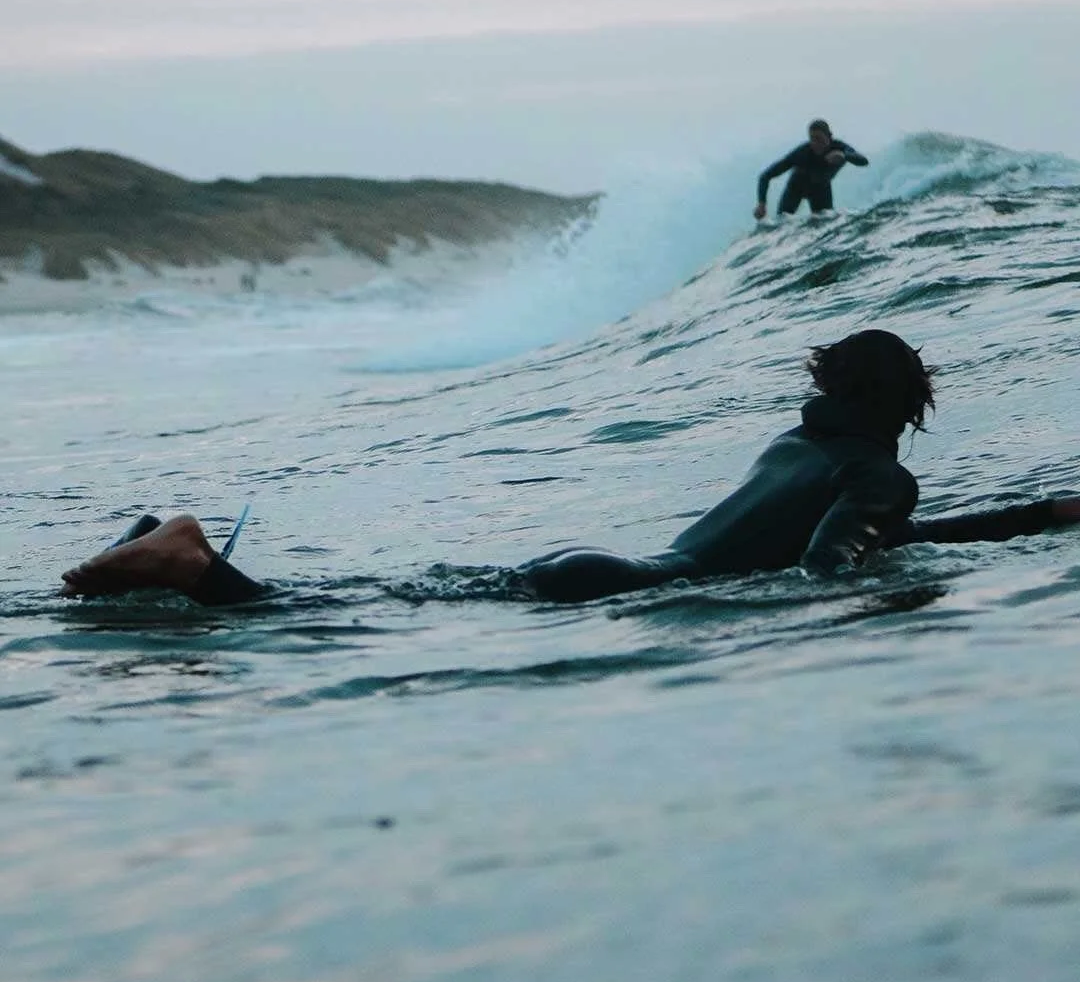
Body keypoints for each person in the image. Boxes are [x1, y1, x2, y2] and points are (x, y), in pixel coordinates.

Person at [59, 331, 1080, 608]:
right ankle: (188, 563)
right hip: (619, 591)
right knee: (304, 620)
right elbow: (827, 564)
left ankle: (155, 552)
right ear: (912, 403)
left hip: (605, 565)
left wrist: (1039, 515)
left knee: (363, 600)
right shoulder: (878, 479)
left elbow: (869, 528)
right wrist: (874, 602)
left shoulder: (799, 446)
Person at [753, 118, 869, 220]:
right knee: (782, 221)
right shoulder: (802, 153)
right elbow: (765, 176)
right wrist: (761, 203)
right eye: (812, 139)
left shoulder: (839, 148)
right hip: (796, 188)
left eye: (819, 139)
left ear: (829, 136)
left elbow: (864, 161)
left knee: (826, 223)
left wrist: (844, 156)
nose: (815, 143)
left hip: (821, 189)